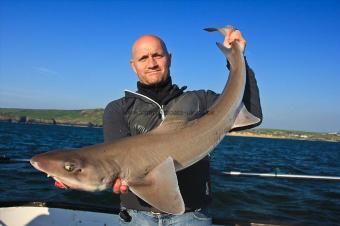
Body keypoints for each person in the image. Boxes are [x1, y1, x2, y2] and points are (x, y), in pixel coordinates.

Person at [103, 26, 262, 225]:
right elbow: (113, 164)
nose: (151, 63)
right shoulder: (117, 109)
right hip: (137, 216)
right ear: (133, 65)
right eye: (143, 58)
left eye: (157, 55)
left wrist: (238, 59)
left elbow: (251, 112)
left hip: (192, 215)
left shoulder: (199, 100)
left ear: (169, 58)